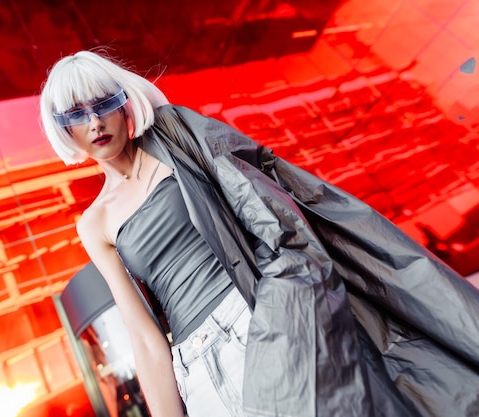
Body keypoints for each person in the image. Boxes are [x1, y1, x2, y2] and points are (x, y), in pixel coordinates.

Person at [40, 50, 479, 417]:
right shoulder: (93, 224)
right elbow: (144, 337)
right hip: (198, 370)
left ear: (123, 103)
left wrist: (287, 296)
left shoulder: (175, 137)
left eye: (102, 104)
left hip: (264, 319)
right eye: (77, 114)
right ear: (64, 128)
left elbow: (268, 208)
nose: (94, 122)